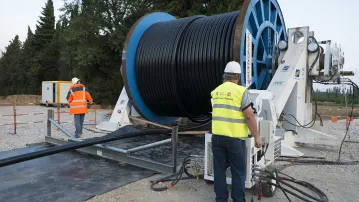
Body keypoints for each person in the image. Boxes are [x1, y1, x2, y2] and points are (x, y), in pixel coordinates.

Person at [210, 61, 263, 202]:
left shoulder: (215, 91)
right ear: (238, 77)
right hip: (235, 140)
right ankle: (238, 199)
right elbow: (249, 115)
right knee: (238, 172)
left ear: (225, 76)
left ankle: (220, 199)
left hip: (217, 138)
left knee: (219, 171)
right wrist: (257, 137)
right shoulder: (241, 91)